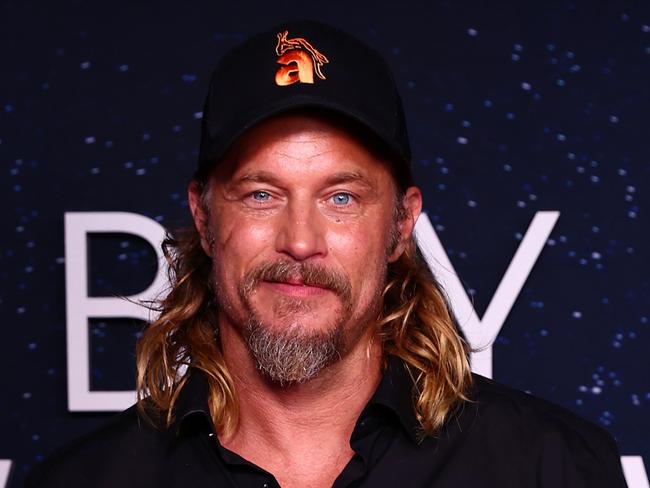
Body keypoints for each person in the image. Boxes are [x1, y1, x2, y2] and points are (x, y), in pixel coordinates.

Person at [27, 20, 627, 488]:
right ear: (205, 220)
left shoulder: (553, 471)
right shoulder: (80, 484)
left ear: (400, 225)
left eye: (341, 197)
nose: (301, 239)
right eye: (262, 194)